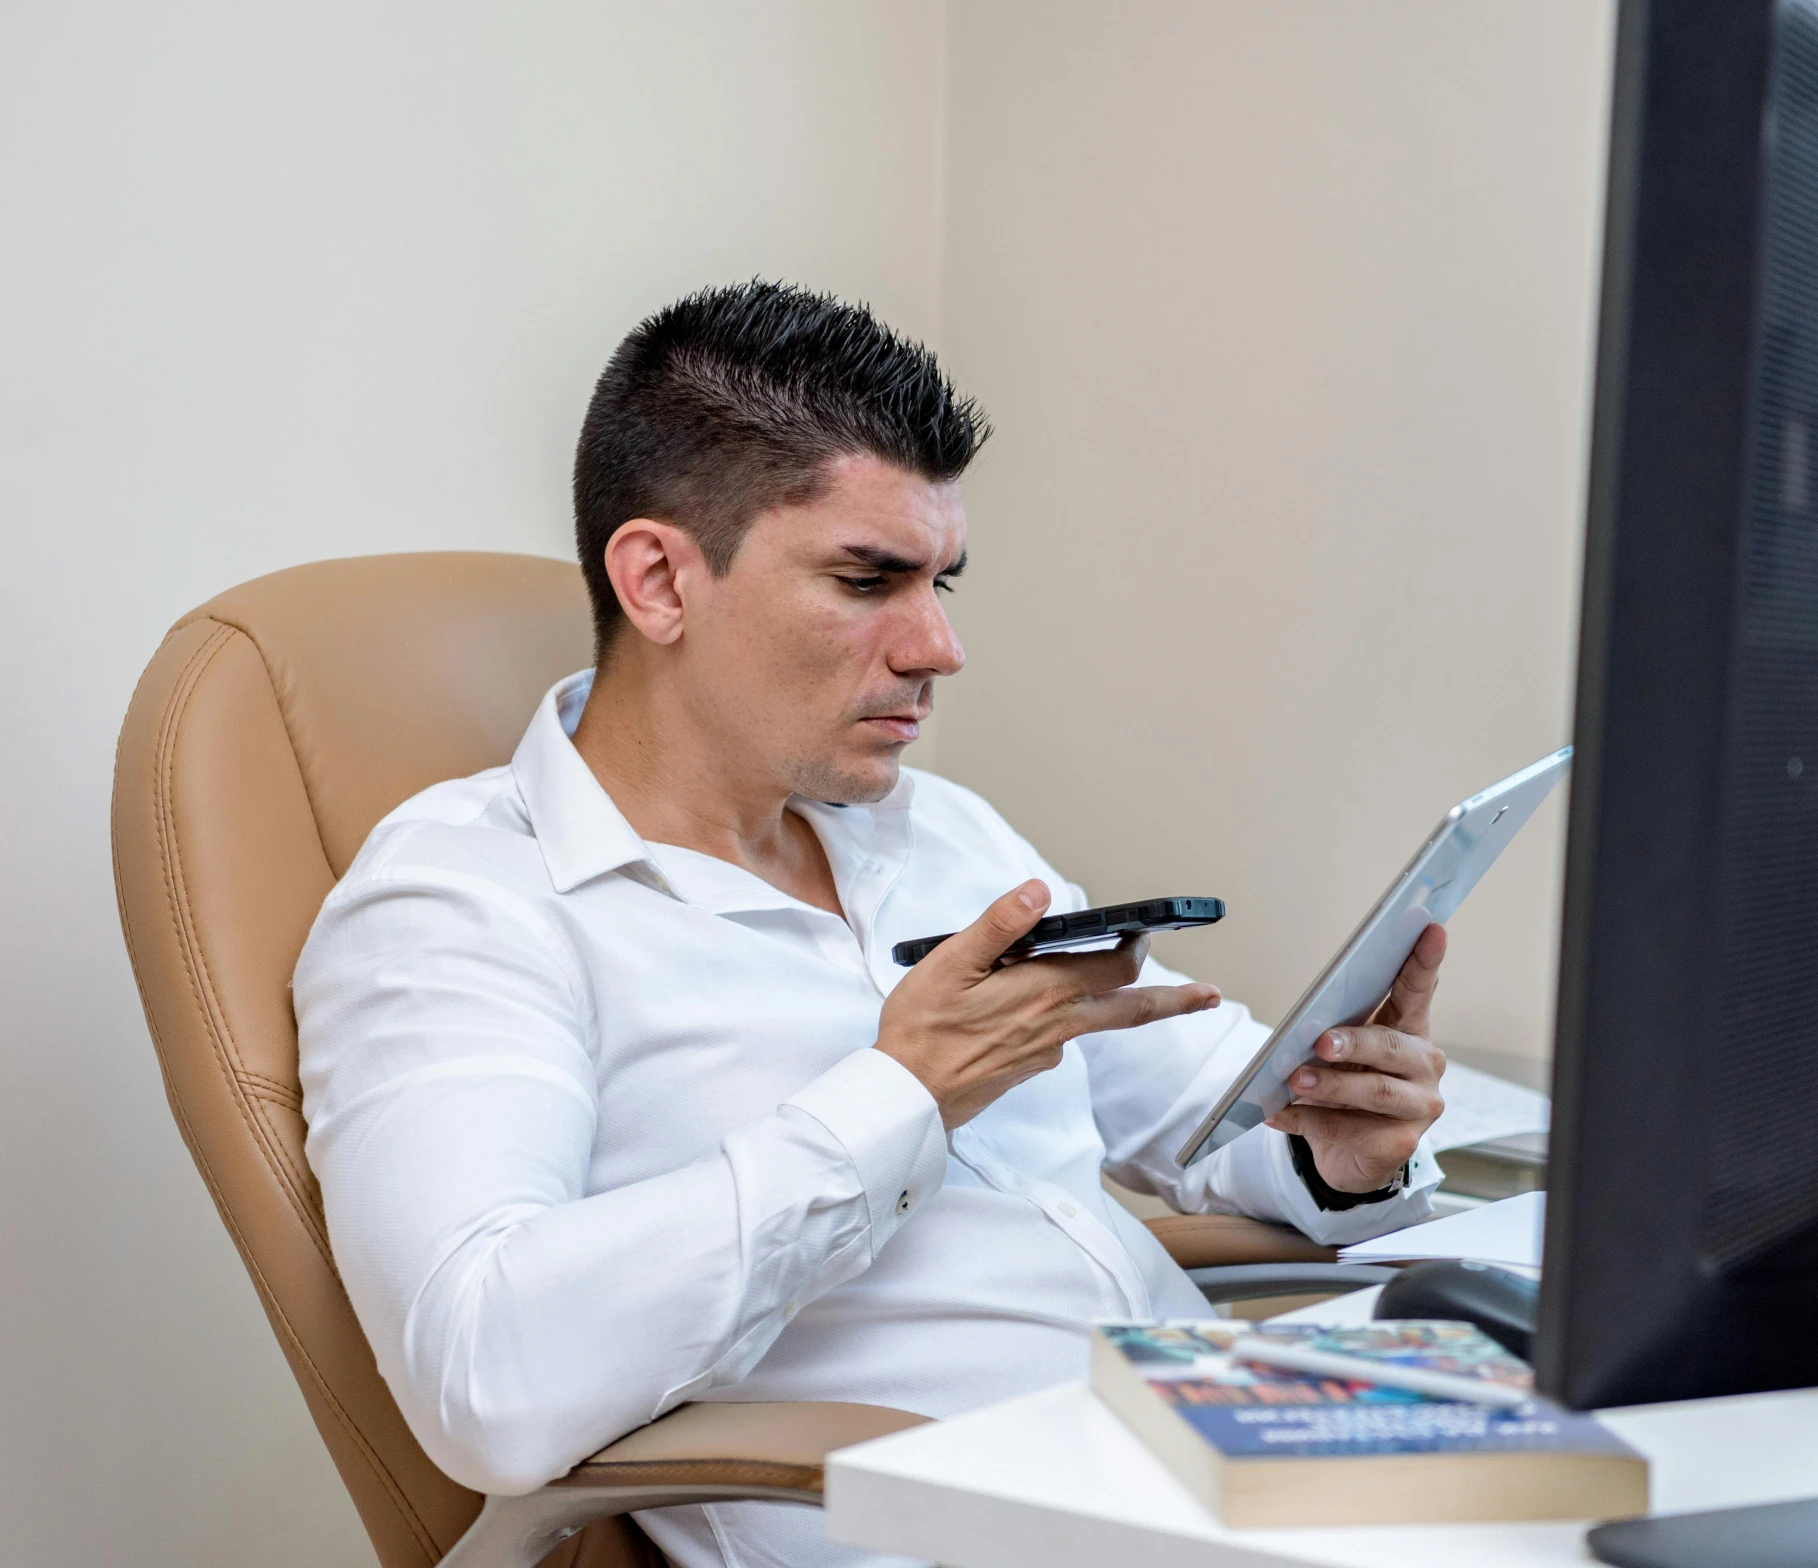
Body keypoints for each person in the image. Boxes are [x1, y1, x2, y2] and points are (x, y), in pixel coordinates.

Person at [295, 282, 1449, 1568]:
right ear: (660, 579)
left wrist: (1337, 1141)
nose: (940, 646)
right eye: (868, 579)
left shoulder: (936, 830)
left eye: (942, 581)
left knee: (1627, 1461)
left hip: (1204, 1437)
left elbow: (1192, 1097)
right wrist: (901, 1095)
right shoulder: (463, 900)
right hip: (980, 1517)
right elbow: (484, 1376)